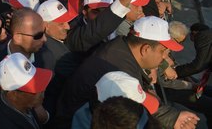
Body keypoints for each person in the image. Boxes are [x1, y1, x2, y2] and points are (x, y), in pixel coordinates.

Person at [55, 16, 202, 129]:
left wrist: (173, 117)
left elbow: (140, 96)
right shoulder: (119, 69)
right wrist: (173, 118)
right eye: (163, 51)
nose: (165, 57)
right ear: (145, 49)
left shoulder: (120, 48)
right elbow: (134, 106)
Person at [0, 52, 53, 129]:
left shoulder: (25, 104)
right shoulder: (5, 125)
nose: (43, 89)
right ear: (13, 95)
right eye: (35, 88)